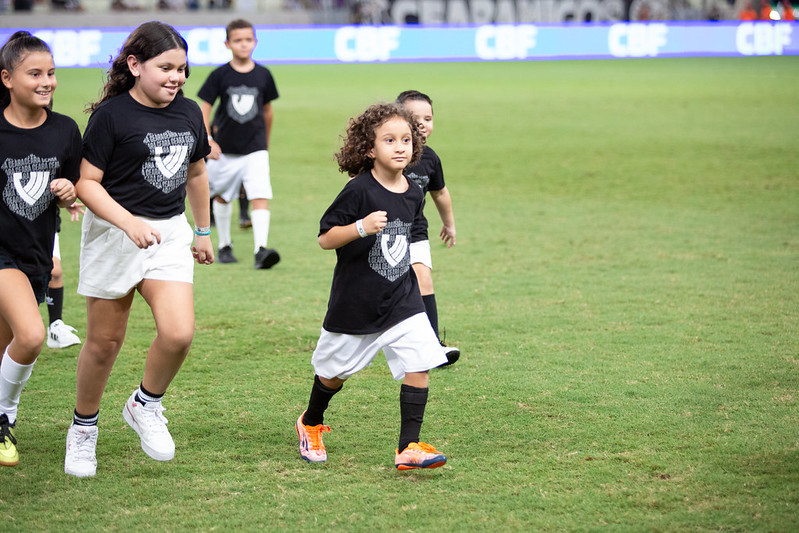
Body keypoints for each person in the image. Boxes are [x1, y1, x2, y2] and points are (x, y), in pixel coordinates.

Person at [63, 21, 214, 478]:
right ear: (134, 65)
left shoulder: (189, 112)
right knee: (105, 343)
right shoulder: (111, 117)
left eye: (183, 69)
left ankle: (144, 404)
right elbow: (87, 184)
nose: (177, 77)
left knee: (178, 333)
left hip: (168, 233)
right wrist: (127, 223)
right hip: (114, 234)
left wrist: (203, 231)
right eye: (166, 67)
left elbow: (196, 173)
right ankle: (83, 430)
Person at [295, 103, 448, 470]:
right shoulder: (358, 190)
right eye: (389, 140)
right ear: (369, 149)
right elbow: (326, 238)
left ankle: (408, 447)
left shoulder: (413, 190)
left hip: (401, 300)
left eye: (407, 140)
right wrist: (361, 227)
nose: (400, 147)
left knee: (420, 364)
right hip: (356, 304)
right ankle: (310, 422)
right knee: (332, 376)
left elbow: (405, 240)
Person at [0, 31, 81, 466]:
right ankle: (3, 419)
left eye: (51, 73)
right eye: (35, 74)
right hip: (1, 254)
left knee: (5, 350)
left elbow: (77, 186)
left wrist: (71, 191)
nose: (46, 81)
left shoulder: (66, 130)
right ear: (7, 78)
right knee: (31, 336)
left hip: (35, 254)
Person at [197, 19, 280, 269]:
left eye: (248, 39)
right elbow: (205, 108)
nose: (244, 44)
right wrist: (208, 140)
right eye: (238, 40)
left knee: (260, 194)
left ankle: (260, 250)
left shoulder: (264, 74)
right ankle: (224, 245)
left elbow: (267, 111)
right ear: (227, 43)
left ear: (255, 41)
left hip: (255, 149)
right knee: (222, 196)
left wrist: (264, 143)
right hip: (224, 149)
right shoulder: (220, 75)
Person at [396, 90, 460, 366]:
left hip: (416, 233)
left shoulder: (431, 159)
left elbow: (440, 193)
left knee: (423, 279)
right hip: (382, 235)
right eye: (414, 117)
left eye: (428, 118)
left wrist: (449, 223)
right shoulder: (388, 152)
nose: (422, 123)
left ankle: (432, 346)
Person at [46, 206, 84, 349]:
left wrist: (63, 199)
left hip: (44, 219)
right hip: (12, 219)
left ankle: (55, 325)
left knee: (54, 271)